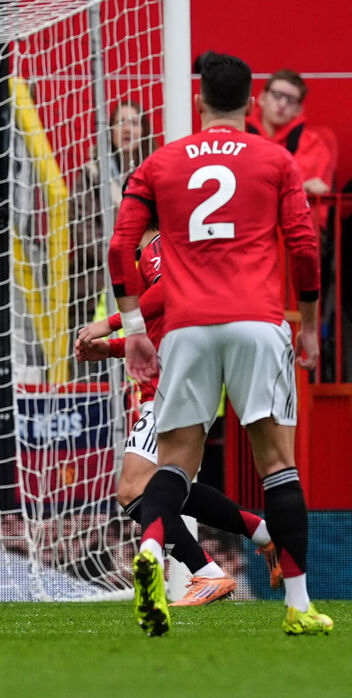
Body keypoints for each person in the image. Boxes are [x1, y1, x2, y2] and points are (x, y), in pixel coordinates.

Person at [108, 52, 331, 636]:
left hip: (185, 326)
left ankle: (155, 554)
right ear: (251, 102)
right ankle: (300, 607)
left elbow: (119, 249)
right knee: (278, 465)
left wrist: (132, 331)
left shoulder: (160, 163)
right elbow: (305, 247)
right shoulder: (275, 158)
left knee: (176, 463)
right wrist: (306, 322)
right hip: (257, 320)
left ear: (199, 101)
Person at [76, 226, 282, 606]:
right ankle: (262, 531)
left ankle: (206, 573)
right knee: (170, 485)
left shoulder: (159, 245)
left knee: (134, 490)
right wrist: (110, 349)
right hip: (180, 382)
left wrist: (110, 323)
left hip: (172, 387)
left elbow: (169, 288)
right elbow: (159, 329)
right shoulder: (160, 251)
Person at [69, 101, 155, 337]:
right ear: (110, 131)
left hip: (147, 285)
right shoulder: (91, 174)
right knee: (93, 367)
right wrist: (122, 255)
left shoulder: (156, 171)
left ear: (144, 130)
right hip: (95, 287)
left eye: (134, 123)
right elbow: (82, 229)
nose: (128, 129)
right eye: (121, 123)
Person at [247, 70, 336, 197]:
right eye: (277, 95)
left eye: (291, 100)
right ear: (262, 98)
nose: (282, 104)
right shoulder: (240, 134)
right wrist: (298, 189)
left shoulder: (314, 145)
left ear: (299, 110)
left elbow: (320, 210)